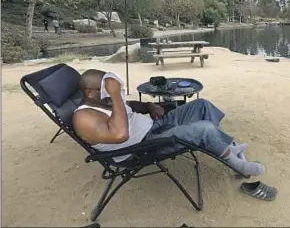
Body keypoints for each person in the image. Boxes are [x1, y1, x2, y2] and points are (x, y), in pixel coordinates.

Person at [72, 69, 265, 176]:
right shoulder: (83, 118)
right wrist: (114, 94)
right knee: (203, 129)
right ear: (90, 93)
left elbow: (129, 105)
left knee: (201, 105)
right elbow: (120, 134)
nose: (109, 92)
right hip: (144, 147)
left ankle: (221, 145)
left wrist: (148, 106)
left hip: (155, 126)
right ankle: (235, 163)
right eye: (104, 89)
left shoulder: (104, 102)